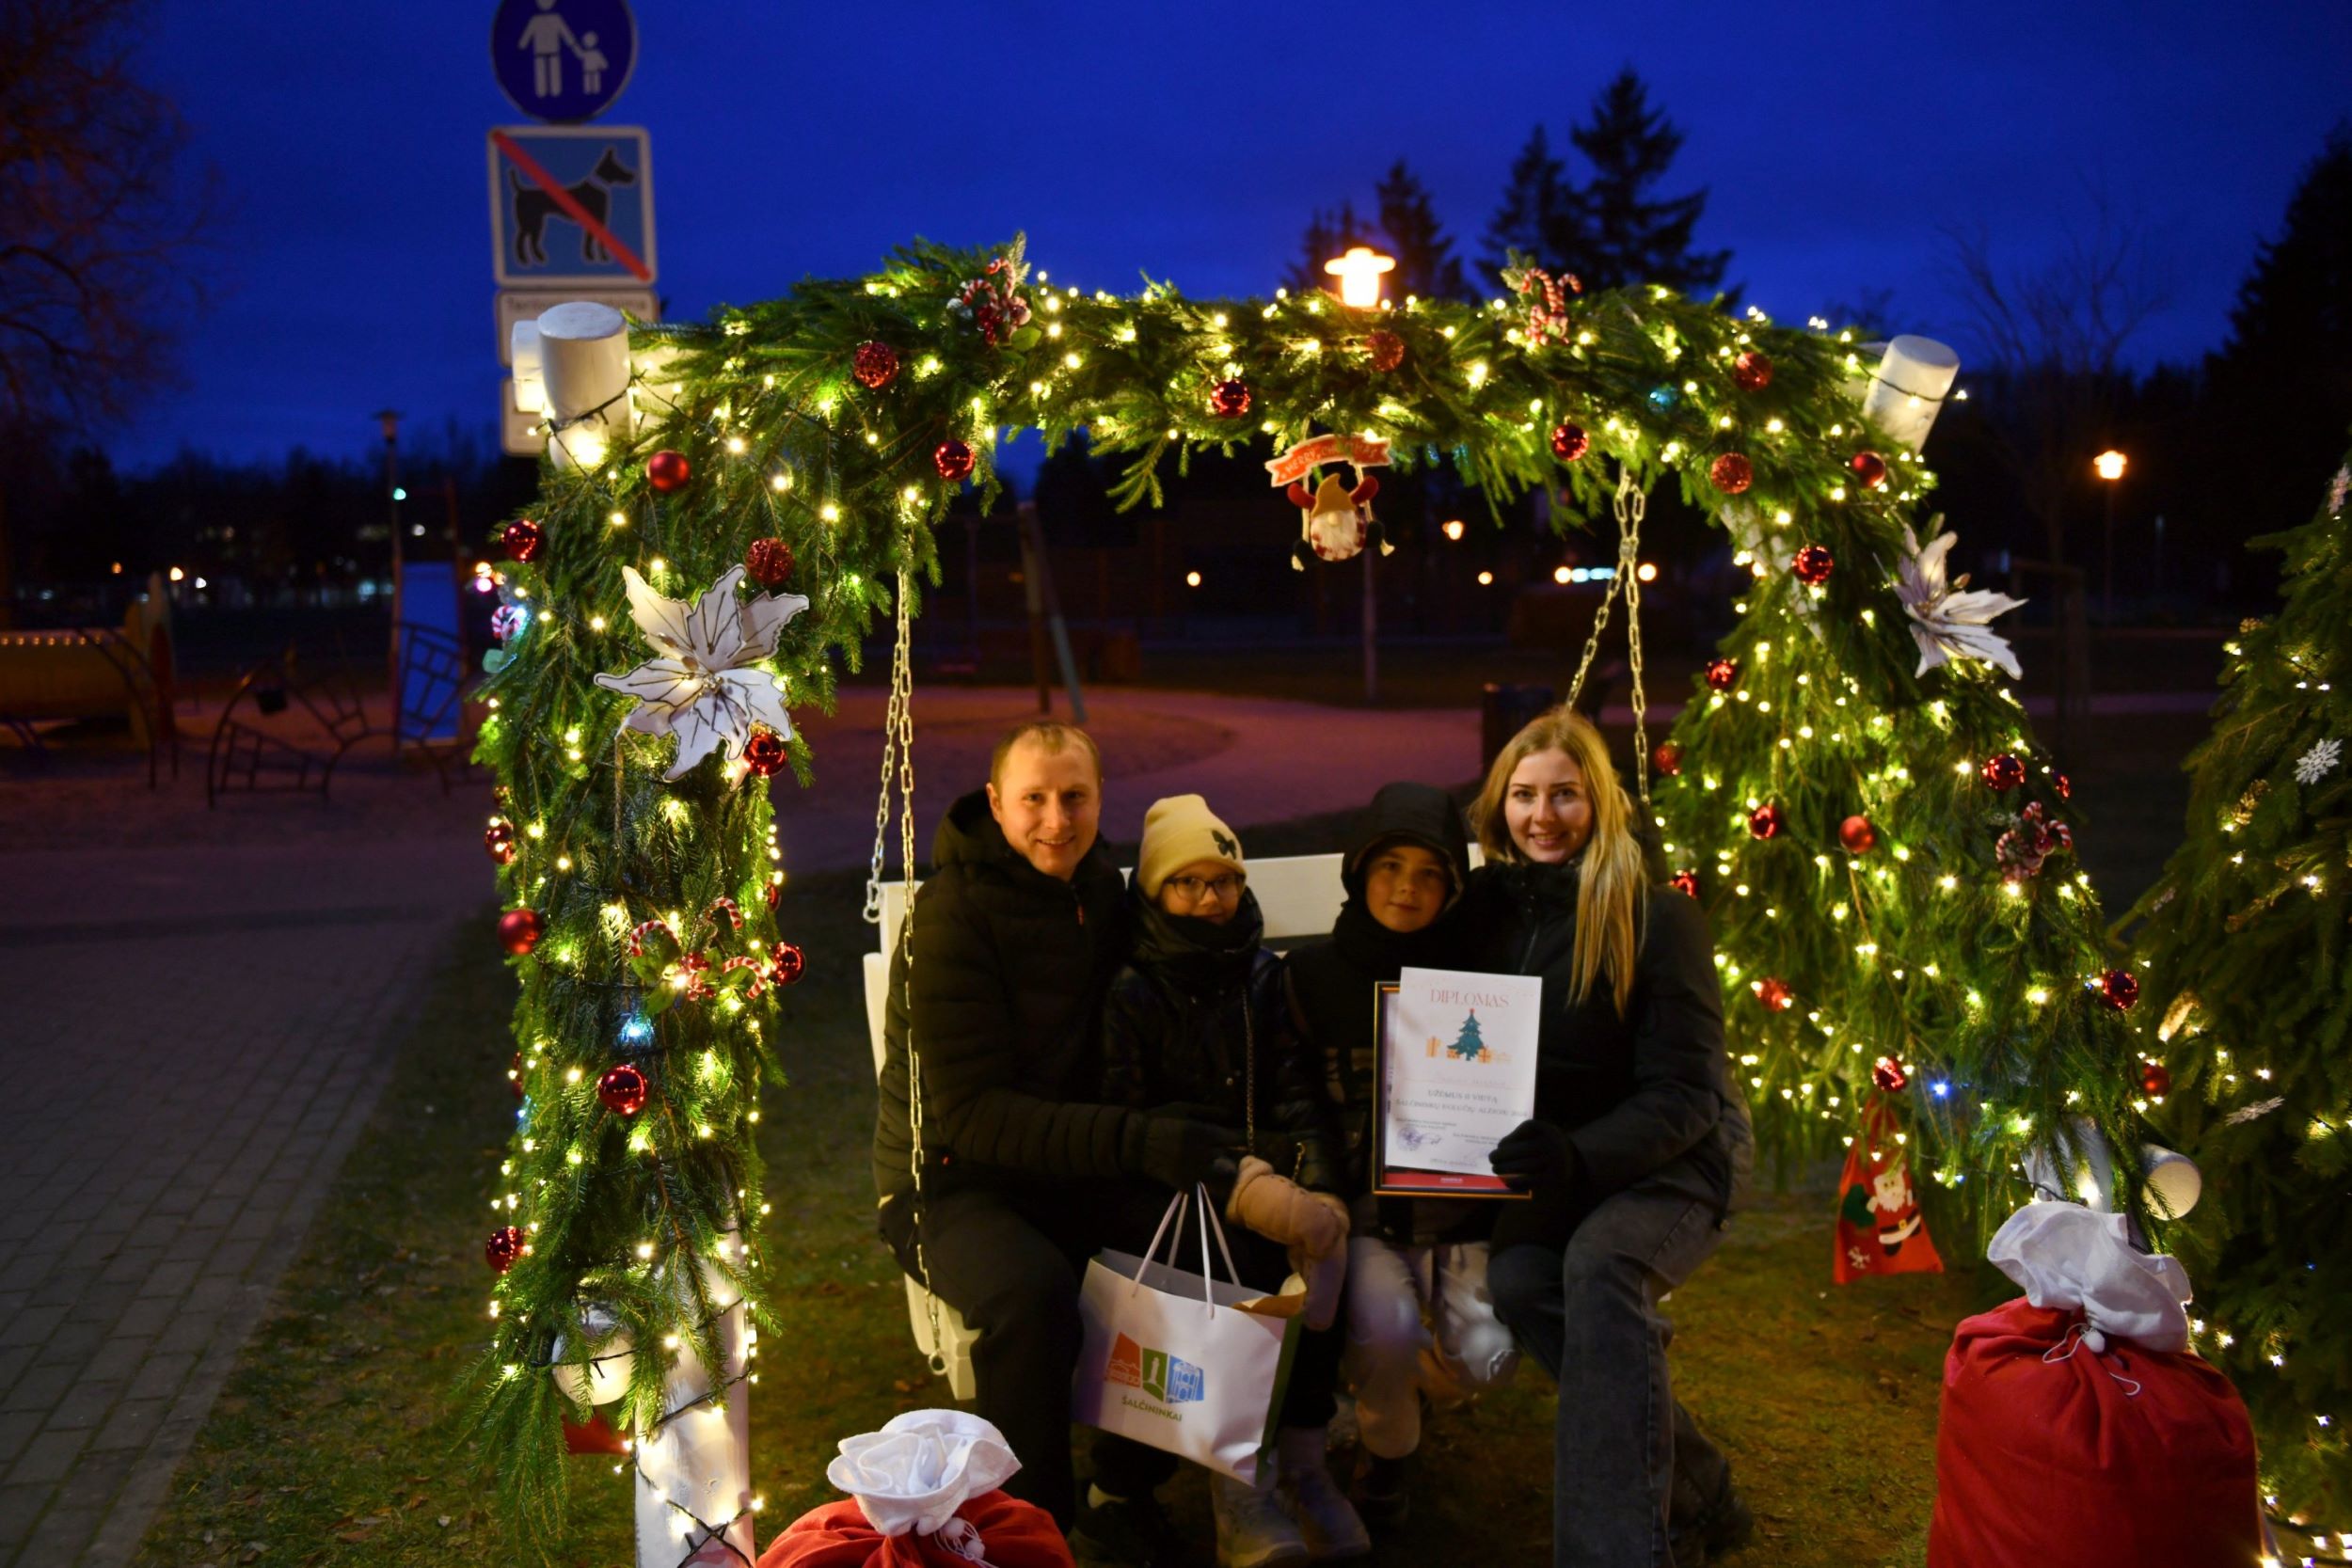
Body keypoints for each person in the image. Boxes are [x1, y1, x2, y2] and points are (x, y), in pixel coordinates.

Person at [872, 721, 1241, 1554]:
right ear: (996, 804)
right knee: (1034, 1298)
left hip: (1065, 1168)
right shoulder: (950, 918)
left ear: (1099, 800)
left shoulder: (1103, 896)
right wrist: (1140, 1140)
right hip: (945, 1182)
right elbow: (969, 1116)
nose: (1055, 819)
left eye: (1074, 797)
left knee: (1186, 1253)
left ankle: (1121, 1482)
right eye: (1033, 799)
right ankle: (1030, 1532)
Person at [1462, 708, 1756, 1567]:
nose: (1542, 815)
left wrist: (1578, 1156)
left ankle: (1615, 1550)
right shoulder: (1494, 914)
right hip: (1571, 1166)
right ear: (1497, 804)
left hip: (1680, 1159)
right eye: (1523, 795)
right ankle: (1702, 1490)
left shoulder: (1658, 917)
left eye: (1565, 793)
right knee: (1520, 1281)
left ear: (1602, 802)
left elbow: (1686, 1092)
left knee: (1599, 1268)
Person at [1098, 795, 1369, 1568]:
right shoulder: (1133, 990)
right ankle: (1240, 1488)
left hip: (1269, 1179)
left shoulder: (1260, 975)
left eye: (1223, 881)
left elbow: (1296, 1090)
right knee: (1252, 1278)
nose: (1210, 899)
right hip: (1177, 1196)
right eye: (1188, 882)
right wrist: (1234, 1177)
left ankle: (1309, 1470)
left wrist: (1320, 1187)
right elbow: (1131, 1121)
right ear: (1156, 891)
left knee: (1320, 1259)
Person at [1282, 783, 1519, 1528]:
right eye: (1389, 867)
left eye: (1428, 872)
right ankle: (1389, 1452)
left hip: (1462, 1209)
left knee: (1487, 1355)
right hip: (1365, 1213)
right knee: (1383, 1324)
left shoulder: (1479, 983)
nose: (1407, 887)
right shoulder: (1314, 978)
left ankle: (1402, 1387)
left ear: (1451, 888)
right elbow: (1298, 1104)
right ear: (1359, 872)